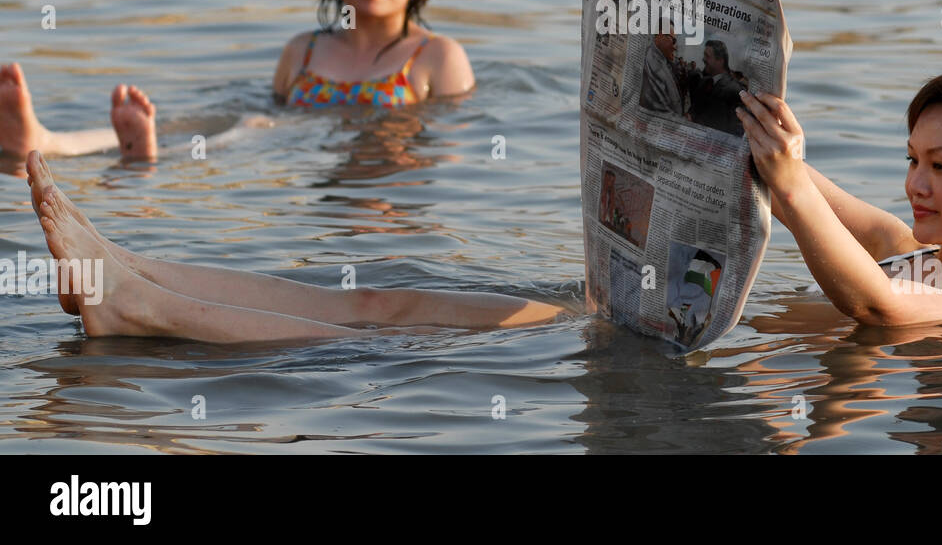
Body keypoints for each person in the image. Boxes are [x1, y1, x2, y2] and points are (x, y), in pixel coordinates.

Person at [0, 0, 475, 168]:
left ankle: (150, 160)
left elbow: (451, 157)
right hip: (293, 143)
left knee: (248, 129)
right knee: (207, 123)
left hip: (344, 155)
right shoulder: (302, 52)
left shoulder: (438, 57)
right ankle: (48, 142)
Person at [24, 150, 566, 342]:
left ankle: (138, 305)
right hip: (597, 305)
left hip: (630, 331)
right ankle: (125, 268)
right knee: (376, 307)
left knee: (391, 344)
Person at [736, 65, 942, 325]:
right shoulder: (898, 248)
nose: (915, 185)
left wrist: (792, 184)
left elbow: (875, 304)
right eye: (913, 160)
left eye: (940, 166)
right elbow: (776, 174)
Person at [685, 39, 744, 136]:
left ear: (720, 60)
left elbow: (736, 131)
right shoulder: (703, 82)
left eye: (707, 56)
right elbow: (694, 108)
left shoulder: (736, 91)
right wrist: (690, 115)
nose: (703, 59)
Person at [637, 32, 683, 116]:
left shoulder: (664, 61)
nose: (674, 47)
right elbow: (658, 106)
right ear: (660, 35)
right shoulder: (653, 61)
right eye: (673, 40)